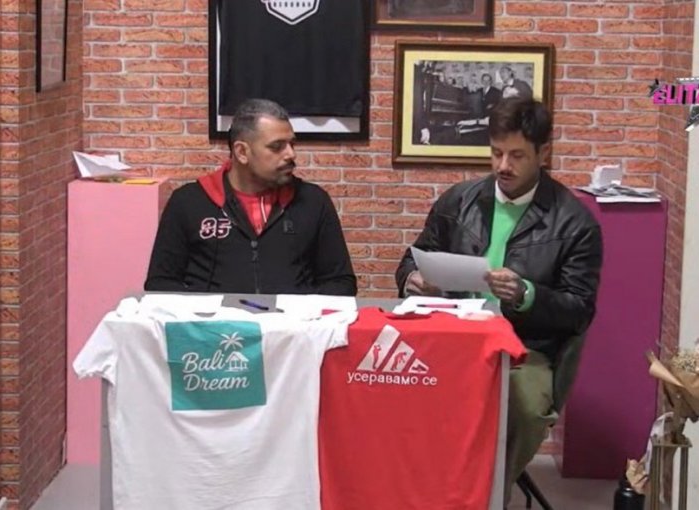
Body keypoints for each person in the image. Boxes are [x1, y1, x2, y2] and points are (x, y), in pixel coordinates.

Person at [395, 97, 603, 503]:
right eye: (496, 153)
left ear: (543, 153)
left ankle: (488, 495)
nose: (503, 166)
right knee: (395, 385)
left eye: (517, 156)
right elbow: (412, 259)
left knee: (523, 408)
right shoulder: (459, 201)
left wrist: (527, 295)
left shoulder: (575, 224)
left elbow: (579, 311)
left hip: (524, 349)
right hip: (451, 338)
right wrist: (412, 280)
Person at [145, 98, 357, 296]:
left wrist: (301, 312)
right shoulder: (188, 202)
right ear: (242, 152)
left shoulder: (314, 201)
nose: (290, 154)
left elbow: (341, 282)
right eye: (277, 147)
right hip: (213, 323)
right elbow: (160, 284)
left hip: (293, 323)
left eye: (292, 144)